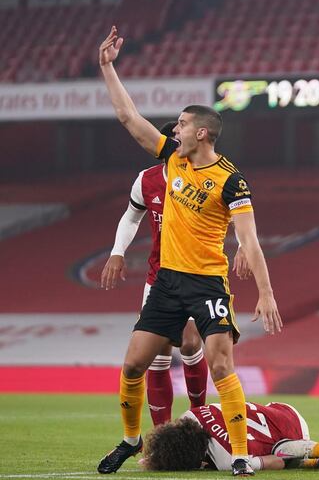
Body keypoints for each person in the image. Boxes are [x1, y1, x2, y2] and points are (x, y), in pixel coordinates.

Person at [96, 26, 283, 477]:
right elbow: (129, 119)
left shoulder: (230, 181)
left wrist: (267, 293)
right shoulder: (172, 160)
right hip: (166, 282)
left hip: (207, 283)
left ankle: (239, 453)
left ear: (201, 132)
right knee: (133, 364)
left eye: (180, 124)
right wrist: (107, 67)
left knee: (222, 366)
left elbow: (250, 241)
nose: (173, 129)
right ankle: (130, 439)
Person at [99, 122, 252, 425]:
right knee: (157, 358)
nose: (176, 143)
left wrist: (245, 247)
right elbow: (131, 217)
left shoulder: (204, 178)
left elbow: (231, 211)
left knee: (192, 343)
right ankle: (161, 436)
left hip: (198, 275)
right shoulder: (146, 181)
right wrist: (117, 251)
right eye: (174, 137)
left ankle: (197, 417)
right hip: (159, 277)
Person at [140, 401, 310, 472]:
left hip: (297, 434)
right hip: (283, 409)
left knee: (280, 452)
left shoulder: (228, 460)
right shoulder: (191, 415)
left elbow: (277, 461)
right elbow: (174, 441)